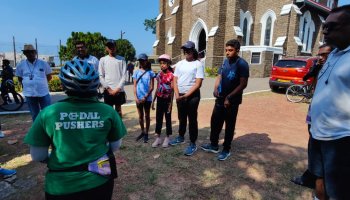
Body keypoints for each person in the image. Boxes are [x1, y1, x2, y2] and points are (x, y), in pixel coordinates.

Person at [24, 60, 127, 200]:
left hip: (61, 186)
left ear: (63, 84)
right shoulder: (108, 111)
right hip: (99, 180)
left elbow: (37, 156)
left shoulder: (47, 113)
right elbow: (115, 146)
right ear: (95, 84)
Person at [308, 5, 350, 200]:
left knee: (338, 191)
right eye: (325, 26)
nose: (325, 30)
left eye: (332, 26)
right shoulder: (331, 54)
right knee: (319, 177)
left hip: (340, 139)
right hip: (317, 133)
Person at [290, 44, 333, 192]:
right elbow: (306, 77)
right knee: (313, 143)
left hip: (329, 118)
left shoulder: (337, 70)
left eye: (325, 54)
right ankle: (311, 176)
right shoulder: (321, 68)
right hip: (314, 111)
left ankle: (316, 178)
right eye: (319, 54)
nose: (321, 57)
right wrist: (316, 66)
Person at [200, 39, 249, 161]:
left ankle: (226, 149)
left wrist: (229, 97)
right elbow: (219, 75)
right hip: (220, 98)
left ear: (237, 50)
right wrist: (216, 87)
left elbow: (243, 84)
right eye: (226, 50)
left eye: (230, 50)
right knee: (215, 122)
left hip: (232, 101)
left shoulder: (242, 64)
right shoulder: (225, 62)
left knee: (229, 125)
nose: (227, 52)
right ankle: (214, 145)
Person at [169, 41, 205, 156]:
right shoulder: (180, 64)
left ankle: (193, 143)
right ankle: (181, 136)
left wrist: (186, 96)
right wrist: (177, 94)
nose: (186, 52)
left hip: (192, 96)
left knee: (192, 119)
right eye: (184, 50)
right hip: (180, 96)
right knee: (182, 117)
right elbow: (175, 80)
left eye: (188, 50)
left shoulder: (198, 64)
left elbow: (198, 83)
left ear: (193, 50)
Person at [15, 44, 52, 121]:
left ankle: (48, 130)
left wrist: (41, 84)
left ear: (35, 52)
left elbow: (49, 76)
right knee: (35, 114)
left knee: (47, 113)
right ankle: (38, 131)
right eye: (27, 52)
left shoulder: (43, 63)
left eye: (32, 52)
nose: (30, 54)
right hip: (29, 94)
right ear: (25, 54)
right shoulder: (21, 65)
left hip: (43, 92)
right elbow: (20, 78)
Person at [99, 39, 127, 117]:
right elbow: (101, 76)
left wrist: (117, 89)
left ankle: (118, 128)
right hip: (108, 90)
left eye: (113, 46)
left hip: (119, 91)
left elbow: (124, 76)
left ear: (116, 47)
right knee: (109, 112)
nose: (111, 48)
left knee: (118, 111)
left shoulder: (122, 59)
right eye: (109, 46)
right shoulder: (103, 60)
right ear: (106, 48)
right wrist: (108, 89)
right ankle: (110, 129)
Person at [151, 54, 174, 148]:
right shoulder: (159, 74)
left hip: (167, 100)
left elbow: (172, 91)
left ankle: (167, 137)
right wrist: (153, 100)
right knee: (158, 118)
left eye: (164, 63)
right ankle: (158, 137)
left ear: (168, 64)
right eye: (161, 63)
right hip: (160, 99)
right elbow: (157, 88)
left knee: (168, 119)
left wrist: (171, 104)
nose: (162, 65)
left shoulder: (172, 75)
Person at [133, 54, 155, 143]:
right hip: (138, 98)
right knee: (140, 116)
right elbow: (134, 86)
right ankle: (142, 131)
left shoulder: (150, 72)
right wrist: (135, 97)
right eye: (140, 61)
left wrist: (145, 97)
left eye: (143, 60)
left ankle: (146, 133)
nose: (142, 62)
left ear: (146, 61)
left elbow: (152, 87)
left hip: (147, 99)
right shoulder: (136, 72)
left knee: (147, 116)